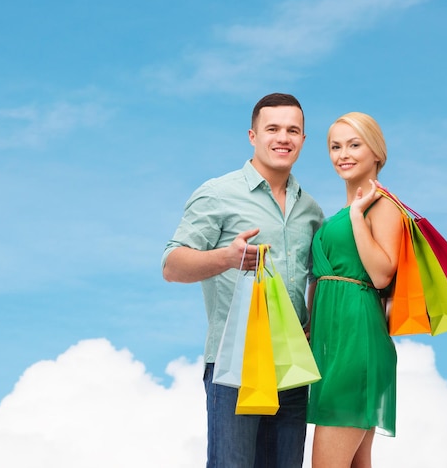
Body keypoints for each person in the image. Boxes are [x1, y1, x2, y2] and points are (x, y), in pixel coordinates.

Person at [162, 92, 324, 467]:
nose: (283, 138)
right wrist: (227, 258)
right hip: (235, 366)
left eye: (293, 130)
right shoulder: (218, 193)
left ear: (303, 140)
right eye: (272, 129)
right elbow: (171, 264)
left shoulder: (311, 211)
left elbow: (314, 282)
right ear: (252, 136)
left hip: (293, 372)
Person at [306, 112, 402, 468]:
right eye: (335, 146)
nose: (342, 154)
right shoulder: (338, 215)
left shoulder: (384, 207)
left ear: (376, 152)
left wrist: (359, 216)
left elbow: (380, 275)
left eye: (353, 144)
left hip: (357, 344)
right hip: (334, 346)